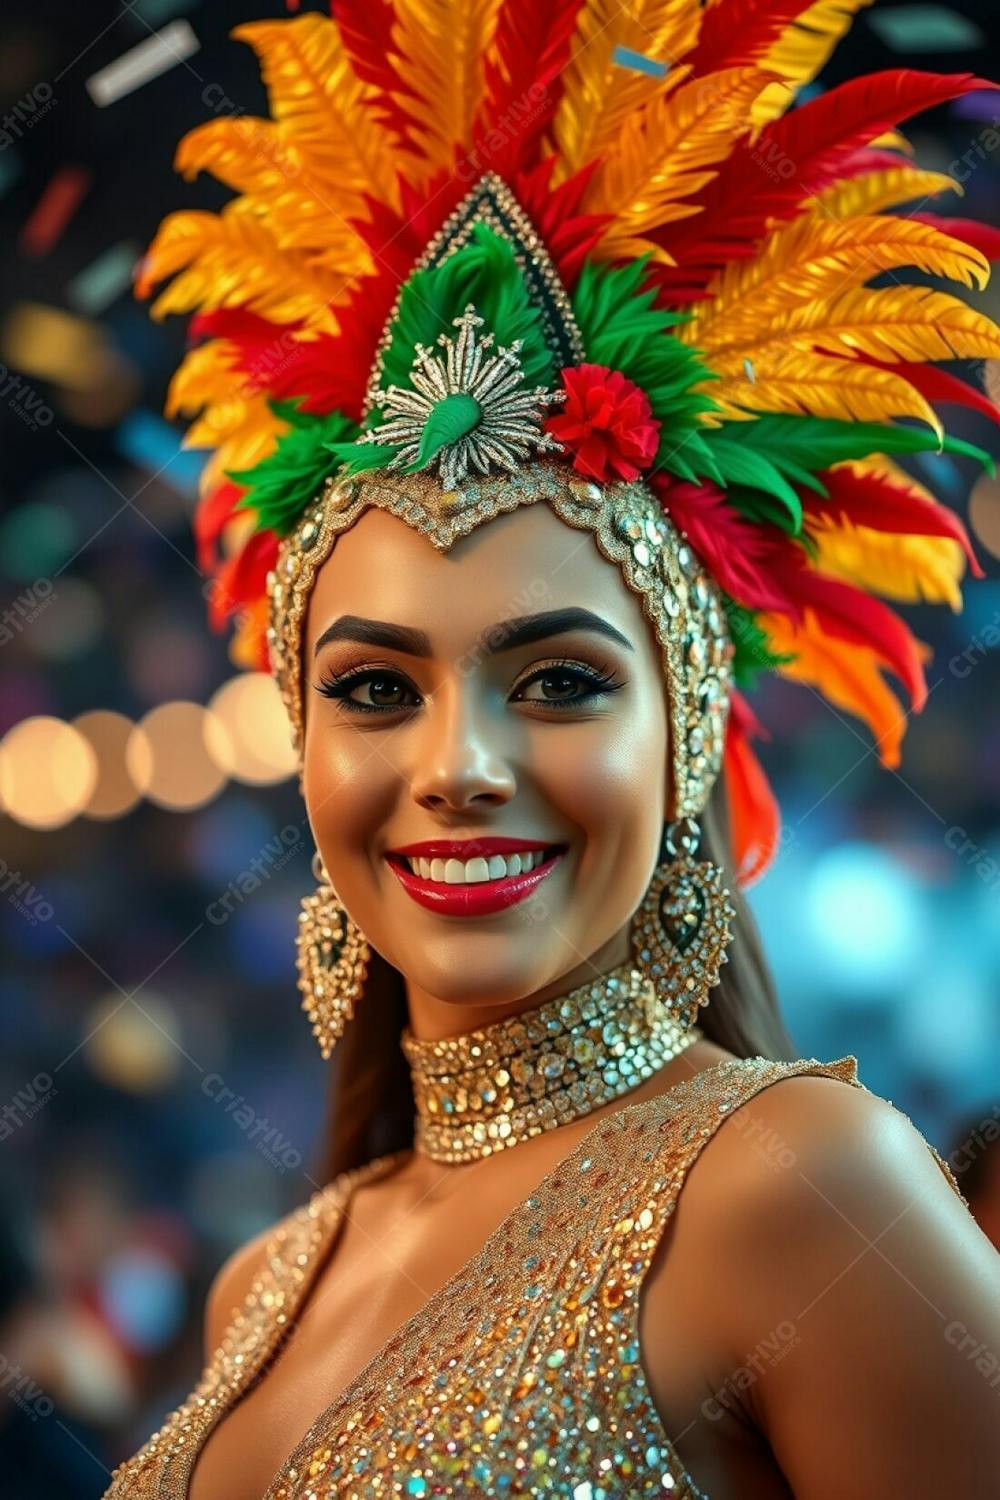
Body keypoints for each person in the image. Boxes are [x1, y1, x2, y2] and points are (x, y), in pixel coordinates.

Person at [104, 4, 1000, 1495]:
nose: (460, 763)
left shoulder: (802, 1190)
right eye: (377, 691)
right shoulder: (261, 1280)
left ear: (688, 737)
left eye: (561, 681)